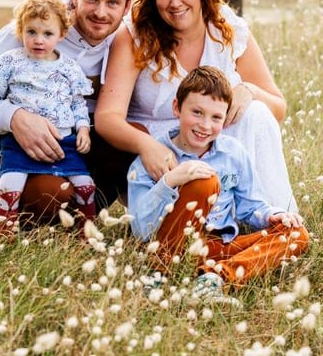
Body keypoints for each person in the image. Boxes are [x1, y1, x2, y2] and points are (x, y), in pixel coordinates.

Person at [95, 0, 298, 212]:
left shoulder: (226, 27)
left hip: (213, 141)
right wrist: (147, 146)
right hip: (161, 153)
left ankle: (276, 217)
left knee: (257, 113)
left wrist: (249, 91)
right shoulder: (137, 34)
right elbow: (107, 117)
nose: (175, 2)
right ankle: (200, 221)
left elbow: (278, 108)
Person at [0, 0, 133, 227]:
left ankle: (85, 215)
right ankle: (24, 201)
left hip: (78, 141)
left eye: (112, 2)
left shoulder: (127, 40)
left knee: (127, 148)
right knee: (50, 195)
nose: (100, 12)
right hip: (15, 144)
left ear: (127, 7)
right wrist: (14, 117)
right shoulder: (33, 27)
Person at [127, 66, 309, 304]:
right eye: (197, 112)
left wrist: (272, 215)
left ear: (225, 119)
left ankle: (215, 278)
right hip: (171, 248)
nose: (205, 125)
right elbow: (140, 228)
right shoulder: (154, 156)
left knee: (296, 234)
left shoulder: (233, 153)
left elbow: (251, 206)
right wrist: (170, 181)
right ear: (177, 108)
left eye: (216, 118)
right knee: (204, 181)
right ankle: (159, 274)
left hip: (218, 246)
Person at [0, 0, 96, 236]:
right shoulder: (10, 62)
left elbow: (78, 103)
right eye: (31, 32)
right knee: (11, 183)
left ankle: (87, 233)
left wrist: (83, 129)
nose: (39, 40)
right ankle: (5, 230)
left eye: (47, 34)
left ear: (62, 34)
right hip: (20, 143)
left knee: (86, 185)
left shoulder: (69, 68)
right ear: (20, 31)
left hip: (63, 143)